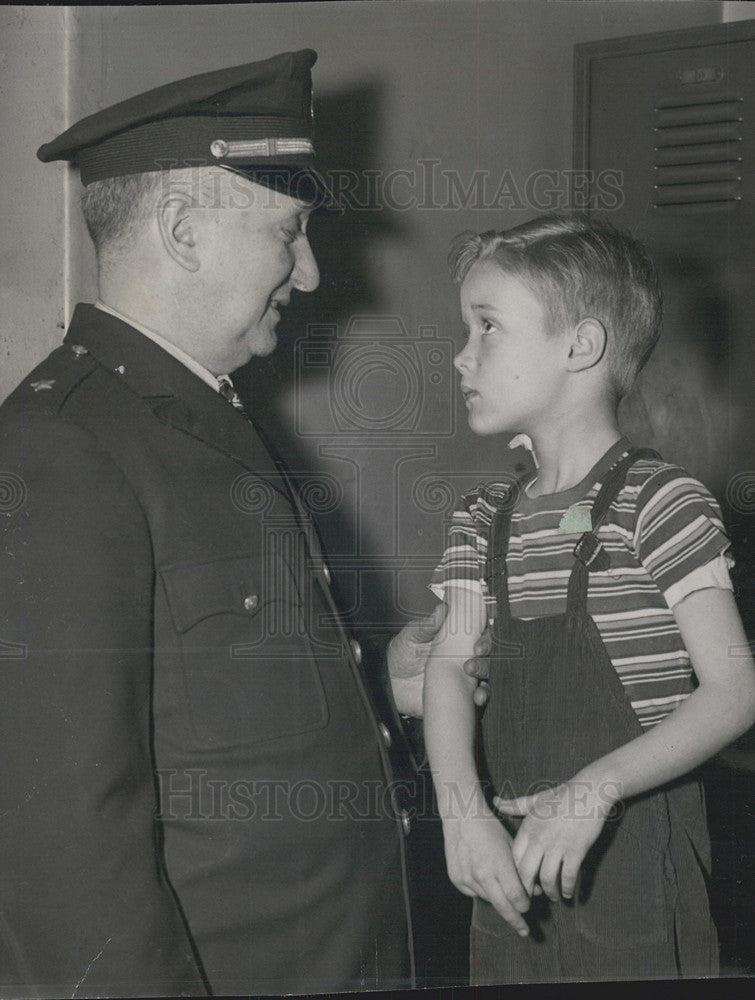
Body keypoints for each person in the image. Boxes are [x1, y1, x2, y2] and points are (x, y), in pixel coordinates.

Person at [0, 49, 443, 997]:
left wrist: (382, 686)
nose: (313, 273)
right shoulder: (60, 447)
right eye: (290, 232)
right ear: (185, 233)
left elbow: (205, 702)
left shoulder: (200, 413)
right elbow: (60, 846)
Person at [422, 213, 755, 982]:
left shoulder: (659, 502)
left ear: (580, 345)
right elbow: (446, 665)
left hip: (634, 869)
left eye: (487, 328)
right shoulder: (482, 519)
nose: (460, 355)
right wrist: (461, 813)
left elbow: (736, 690)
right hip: (510, 871)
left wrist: (590, 791)